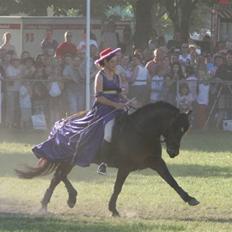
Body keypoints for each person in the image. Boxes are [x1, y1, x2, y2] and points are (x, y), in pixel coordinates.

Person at [32, 47, 127, 175]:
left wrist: (125, 100)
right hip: (103, 111)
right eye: (112, 62)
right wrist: (115, 104)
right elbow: (98, 97)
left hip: (118, 108)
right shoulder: (100, 76)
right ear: (105, 62)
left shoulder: (117, 76)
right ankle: (103, 164)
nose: (115, 64)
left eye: (116, 62)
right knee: (108, 134)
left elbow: (118, 92)